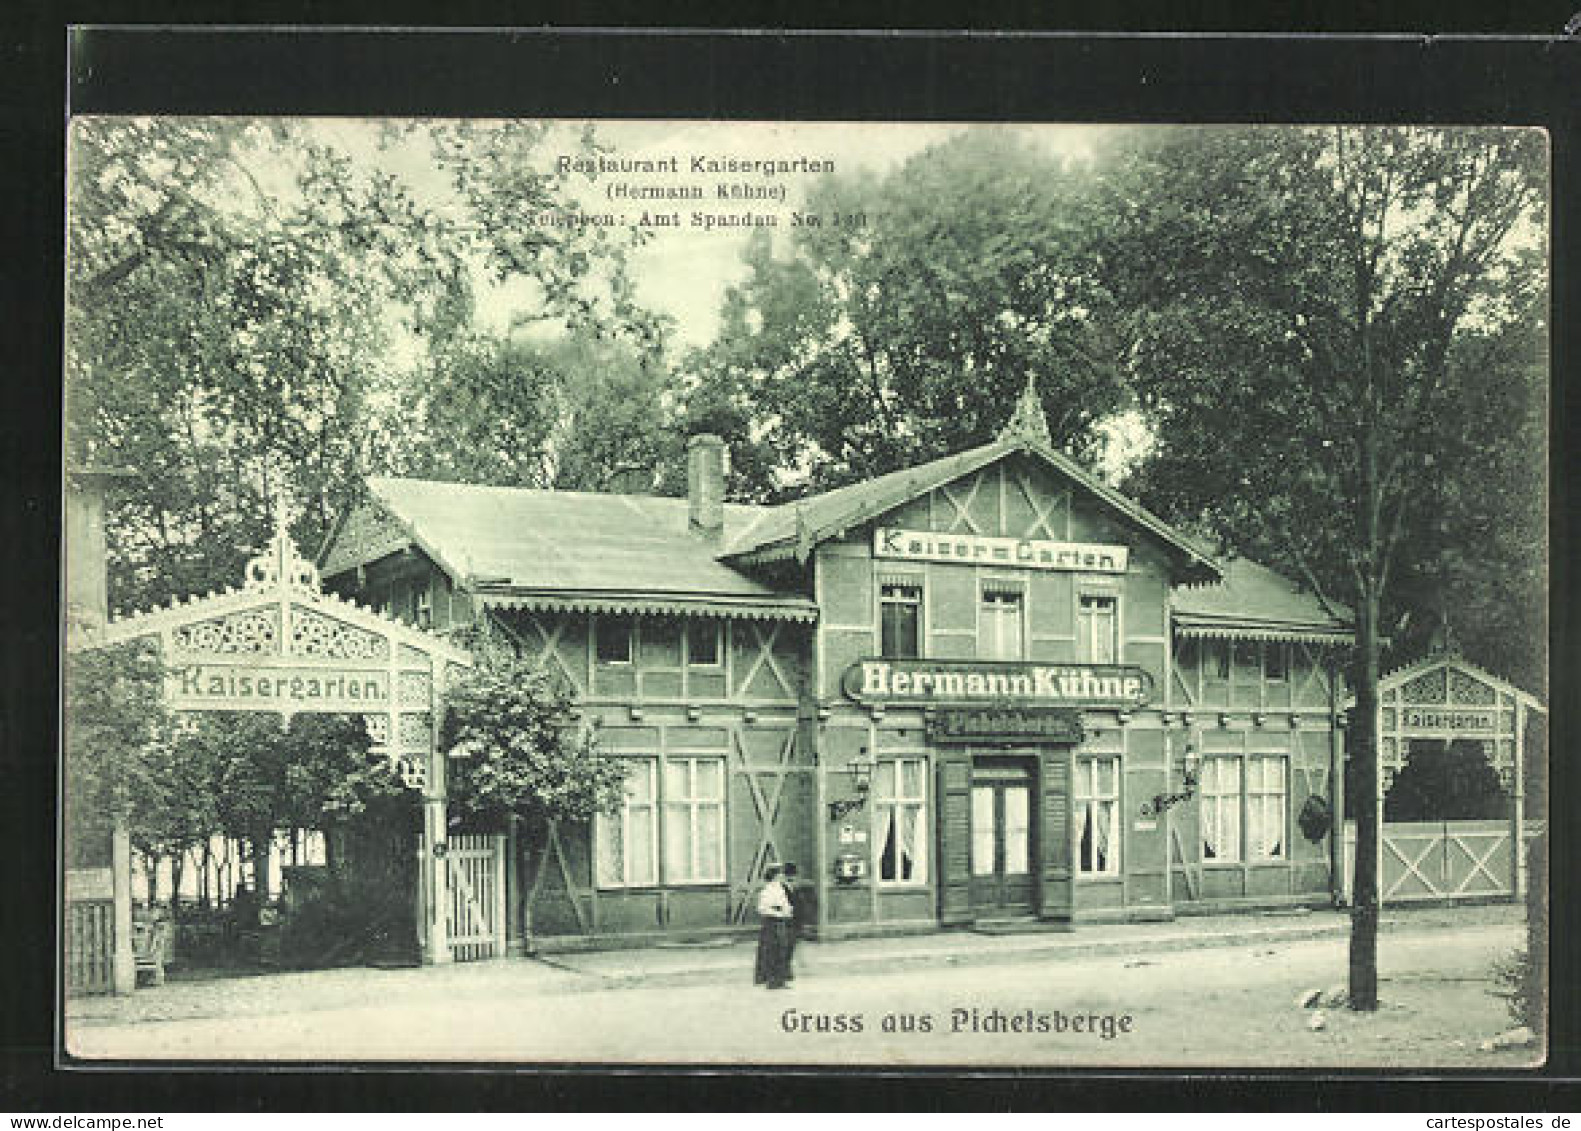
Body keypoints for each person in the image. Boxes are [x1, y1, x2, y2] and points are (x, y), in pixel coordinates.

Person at [753, 864, 793, 989]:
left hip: (781, 922)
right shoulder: (767, 890)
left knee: (782, 951)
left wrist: (788, 910)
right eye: (780, 874)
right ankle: (772, 980)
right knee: (771, 952)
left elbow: (785, 903)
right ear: (774, 876)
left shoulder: (781, 889)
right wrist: (778, 913)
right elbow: (762, 909)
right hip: (771, 923)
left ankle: (780, 979)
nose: (782, 876)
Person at [781, 862, 809, 979]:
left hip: (796, 921)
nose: (793, 879)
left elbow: (800, 905)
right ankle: (786, 971)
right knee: (787, 946)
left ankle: (788, 970)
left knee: (792, 945)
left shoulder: (796, 888)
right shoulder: (783, 888)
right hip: (788, 920)